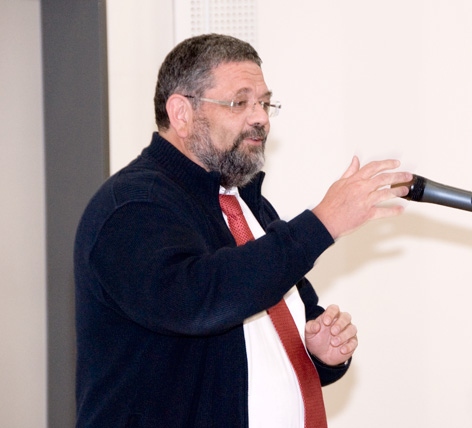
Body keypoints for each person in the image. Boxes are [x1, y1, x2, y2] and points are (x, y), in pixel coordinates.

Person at [74, 33, 411, 428]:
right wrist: (324, 222)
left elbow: (264, 330)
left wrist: (318, 350)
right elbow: (199, 301)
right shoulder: (131, 206)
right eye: (240, 102)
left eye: (265, 103)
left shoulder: (244, 201)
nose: (260, 118)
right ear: (181, 113)